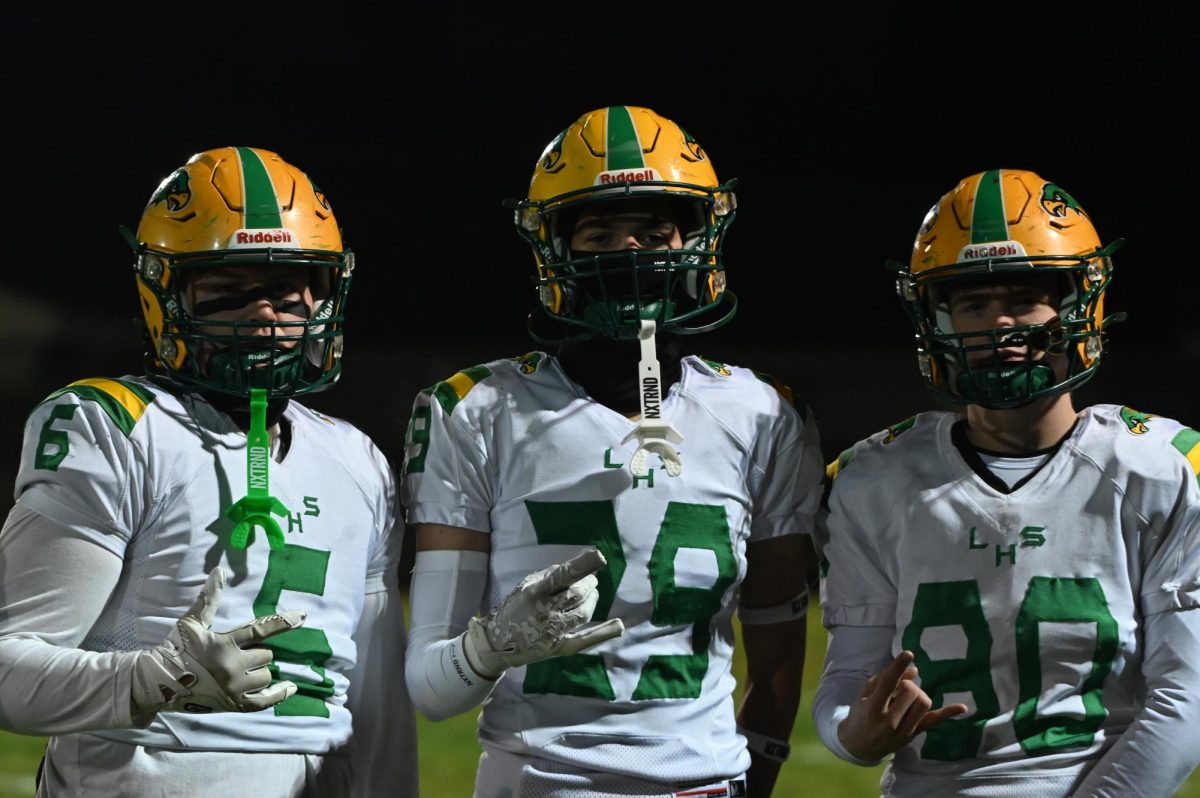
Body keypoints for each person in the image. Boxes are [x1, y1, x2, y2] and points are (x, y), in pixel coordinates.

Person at [402, 105, 823, 798]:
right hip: (538, 778)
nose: (630, 252)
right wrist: (489, 647)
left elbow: (777, 636)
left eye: (655, 232)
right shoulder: (473, 409)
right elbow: (432, 690)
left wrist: (763, 769)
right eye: (600, 232)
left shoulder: (762, 413)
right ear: (556, 249)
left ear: (698, 241)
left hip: (705, 782)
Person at [0, 146, 416, 797]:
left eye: (287, 288)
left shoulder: (357, 459)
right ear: (164, 297)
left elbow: (379, 704)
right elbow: (7, 676)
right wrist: (149, 680)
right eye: (228, 291)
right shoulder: (116, 425)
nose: (265, 313)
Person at [813, 169, 1200, 796]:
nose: (999, 325)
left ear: (1079, 306)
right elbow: (845, 687)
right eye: (973, 304)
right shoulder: (873, 478)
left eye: (1023, 298)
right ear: (937, 320)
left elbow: (1187, 697)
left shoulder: (1161, 467)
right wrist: (853, 735)